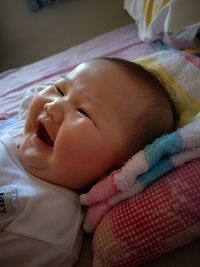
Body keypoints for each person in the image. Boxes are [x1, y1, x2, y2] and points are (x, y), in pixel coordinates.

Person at [0, 58, 177, 266]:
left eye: (83, 112)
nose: (52, 105)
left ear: (113, 170)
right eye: (60, 89)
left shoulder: (46, 228)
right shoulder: (21, 128)